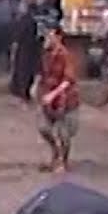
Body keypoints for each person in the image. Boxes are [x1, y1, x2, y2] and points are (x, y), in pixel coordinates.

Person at [37, 25, 80, 172]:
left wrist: (53, 94)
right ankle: (55, 153)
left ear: (58, 37)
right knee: (44, 128)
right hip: (49, 99)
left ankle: (64, 160)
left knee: (64, 134)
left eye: (50, 36)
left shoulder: (65, 55)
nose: (47, 39)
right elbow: (43, 74)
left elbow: (68, 79)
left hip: (65, 99)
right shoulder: (46, 54)